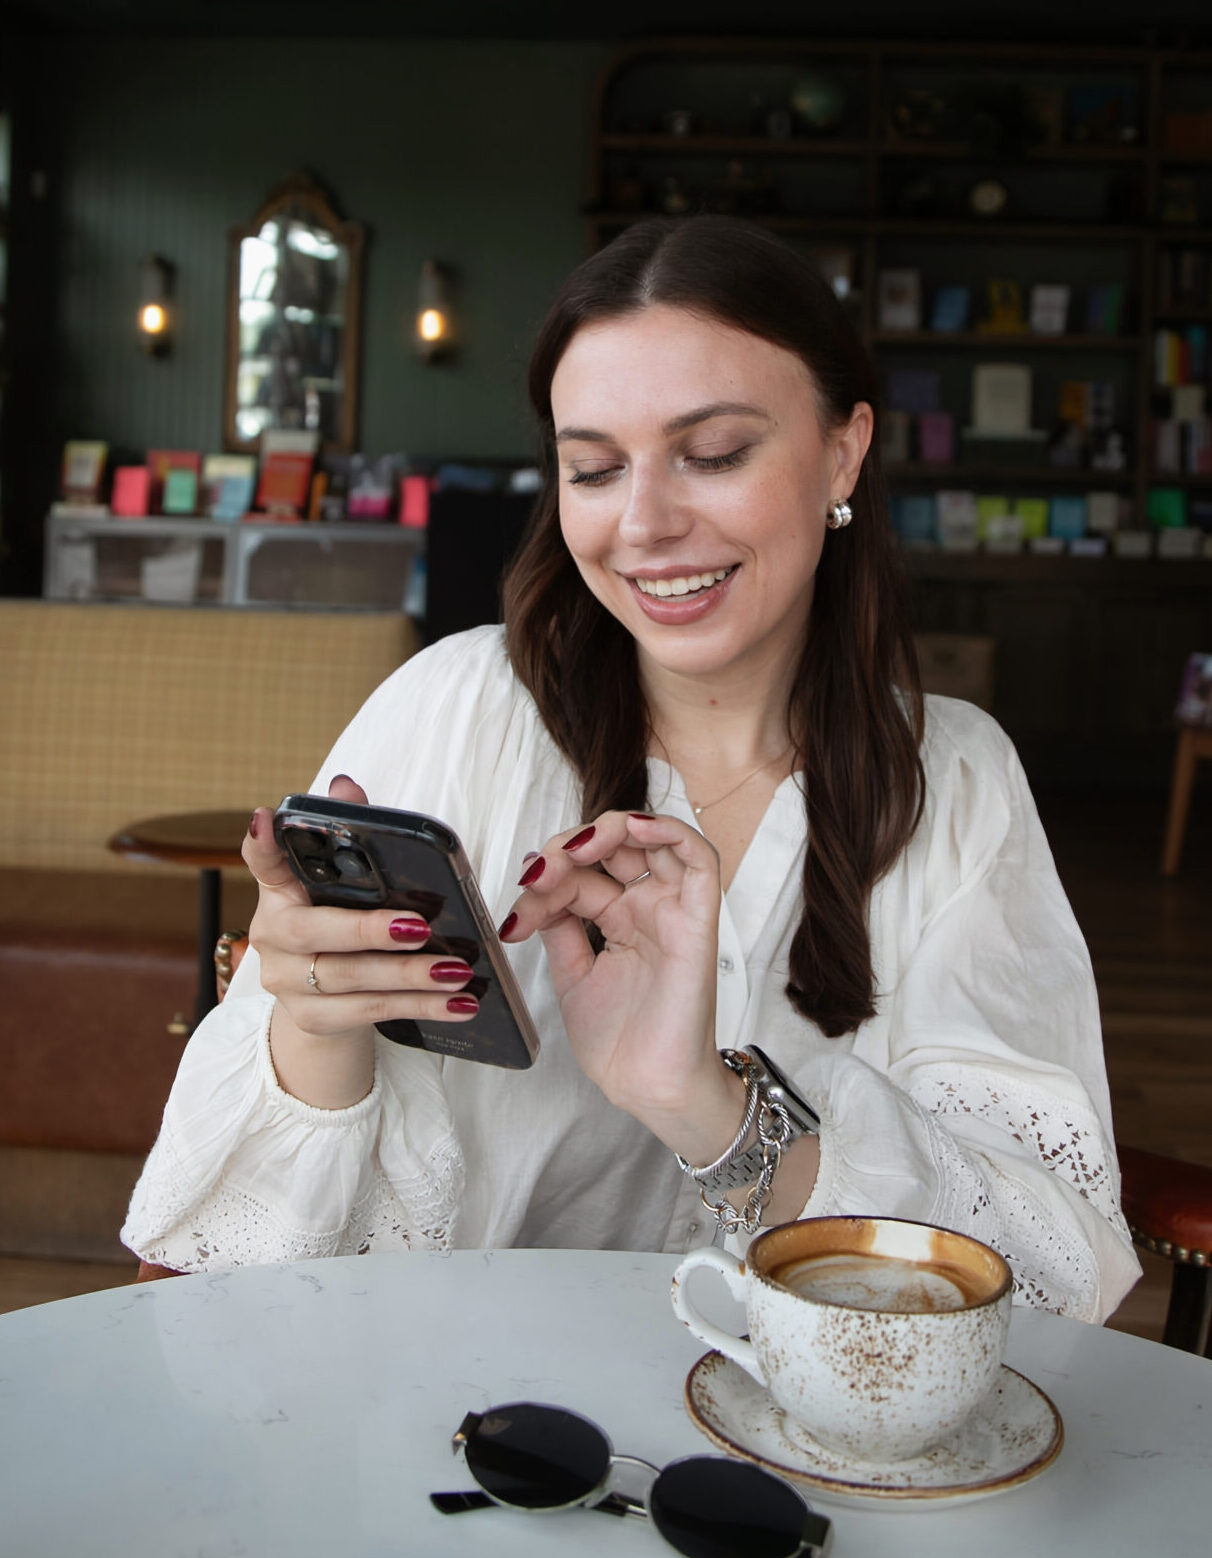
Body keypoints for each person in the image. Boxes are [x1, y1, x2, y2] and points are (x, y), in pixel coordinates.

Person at [123, 217, 1140, 1321]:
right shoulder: (455, 711)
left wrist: (703, 1104)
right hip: (449, 1427)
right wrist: (312, 1027)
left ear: (843, 452)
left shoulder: (953, 783)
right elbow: (237, 1280)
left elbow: (1042, 1277)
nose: (644, 524)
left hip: (810, 1464)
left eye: (713, 455)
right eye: (594, 469)